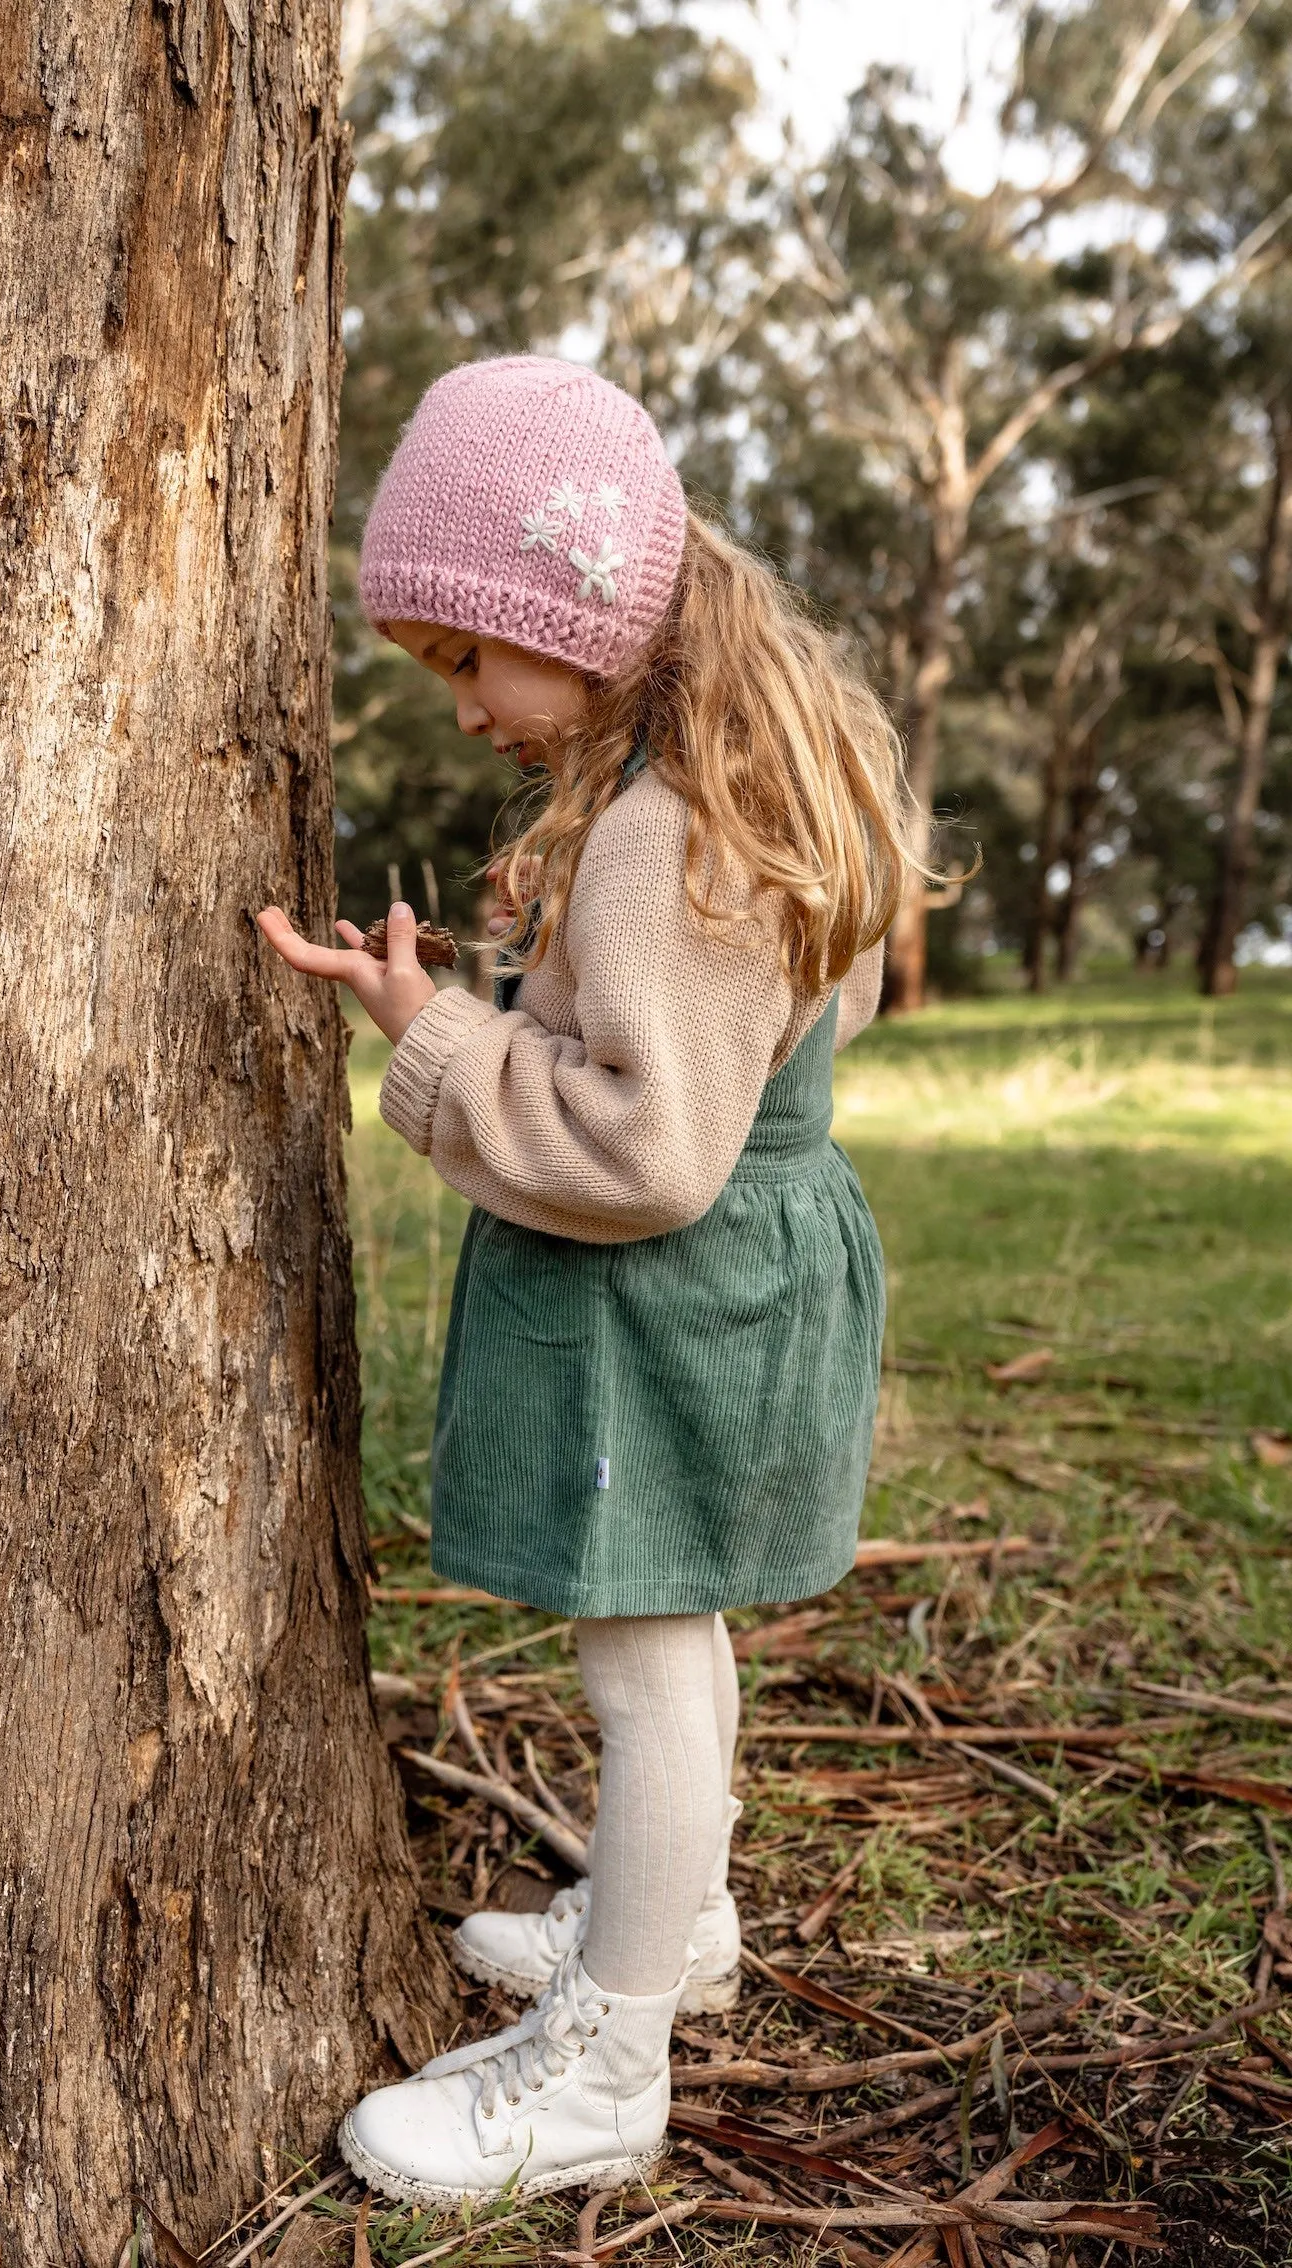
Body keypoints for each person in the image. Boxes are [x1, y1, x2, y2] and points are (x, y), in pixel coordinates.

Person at [259, 356, 921, 2208]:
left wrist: (441, 1046)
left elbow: (644, 1152)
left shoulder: (658, 841)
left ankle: (609, 2066)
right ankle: (673, 1923)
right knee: (678, 1650)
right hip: (733, 1294)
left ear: (588, 612)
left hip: (681, 1309)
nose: (460, 705)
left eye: (471, 657)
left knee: (641, 1665)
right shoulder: (723, 787)